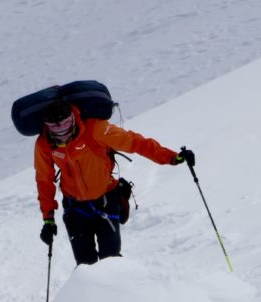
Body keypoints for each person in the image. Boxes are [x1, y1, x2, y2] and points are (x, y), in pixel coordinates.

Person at [34, 99, 194, 265]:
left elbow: (134, 142)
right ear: (47, 126)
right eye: (55, 127)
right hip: (76, 208)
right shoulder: (44, 144)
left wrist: (173, 157)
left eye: (65, 124)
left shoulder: (95, 129)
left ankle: (116, 291)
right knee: (84, 265)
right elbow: (44, 180)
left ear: (73, 119)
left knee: (110, 262)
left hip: (106, 200)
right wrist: (48, 219)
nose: (62, 131)